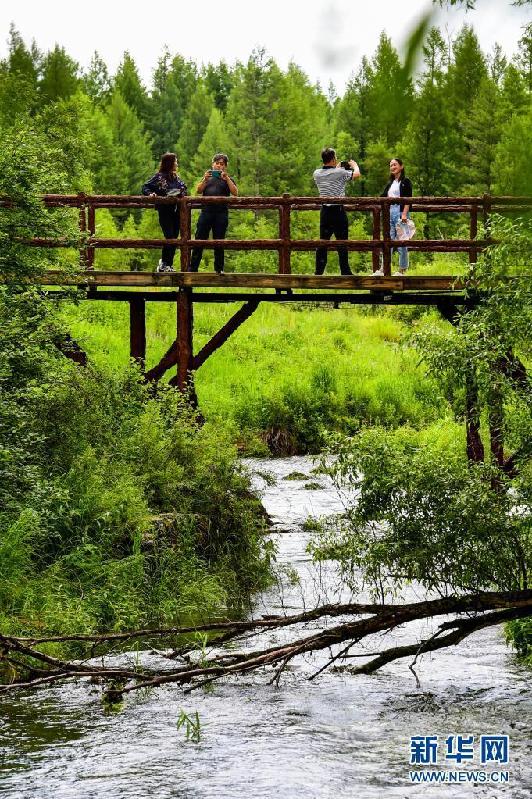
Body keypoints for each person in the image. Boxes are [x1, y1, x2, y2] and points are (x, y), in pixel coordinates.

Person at [313, 147, 361, 276]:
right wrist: (355, 166)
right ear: (333, 159)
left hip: (325, 211)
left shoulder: (316, 173)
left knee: (323, 241)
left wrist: (337, 168)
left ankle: (318, 272)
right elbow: (356, 175)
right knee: (342, 241)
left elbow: (330, 175)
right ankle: (345, 271)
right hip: (338, 211)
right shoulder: (340, 172)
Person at [190, 153, 238, 274]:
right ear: (213, 164)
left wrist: (226, 178)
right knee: (199, 240)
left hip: (221, 214)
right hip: (206, 212)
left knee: (219, 241)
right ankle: (193, 268)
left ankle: (219, 269)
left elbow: (235, 192)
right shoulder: (207, 178)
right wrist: (205, 179)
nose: (219, 166)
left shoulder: (228, 179)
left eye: (222, 164)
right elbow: (198, 190)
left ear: (225, 166)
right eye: (217, 163)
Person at [142, 153, 187, 273]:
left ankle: (169, 265)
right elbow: (145, 187)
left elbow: (184, 188)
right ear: (170, 163)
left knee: (175, 237)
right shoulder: (159, 177)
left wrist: (181, 193)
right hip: (164, 211)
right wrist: (151, 194)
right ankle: (163, 264)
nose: (177, 164)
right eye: (175, 161)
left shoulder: (176, 177)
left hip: (177, 211)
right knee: (169, 236)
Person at [376, 157, 412, 276]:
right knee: (388, 240)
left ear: (401, 166)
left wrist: (404, 214)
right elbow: (381, 197)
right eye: (391, 165)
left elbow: (408, 199)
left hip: (400, 212)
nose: (392, 167)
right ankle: (383, 269)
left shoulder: (406, 181)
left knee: (402, 242)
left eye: (395, 165)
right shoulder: (391, 183)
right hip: (389, 212)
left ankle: (402, 270)